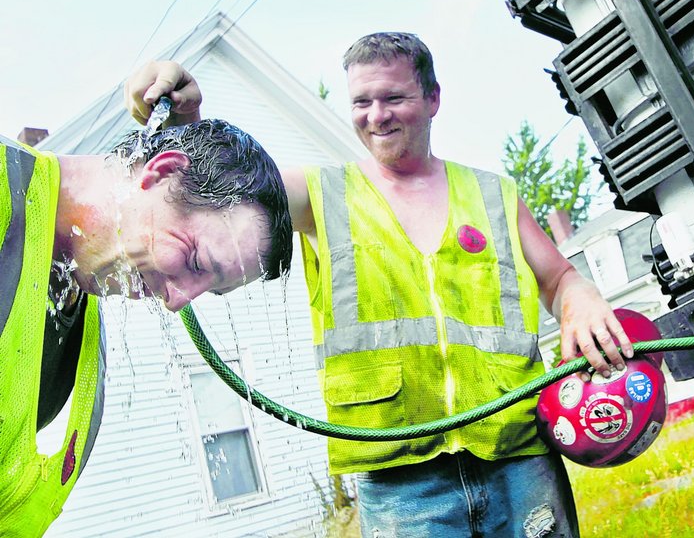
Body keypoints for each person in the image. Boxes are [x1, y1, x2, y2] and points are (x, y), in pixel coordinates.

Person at [125, 33, 634, 537]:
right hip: (400, 482)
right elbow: (226, 188)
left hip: (517, 456)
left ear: (433, 98)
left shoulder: (493, 193)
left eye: (394, 97)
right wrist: (187, 121)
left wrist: (581, 297)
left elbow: (559, 279)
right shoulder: (321, 194)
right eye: (362, 101)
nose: (376, 115)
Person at [0, 118, 292, 537]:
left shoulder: (83, 324)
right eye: (194, 262)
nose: (175, 301)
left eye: (209, 291)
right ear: (163, 172)